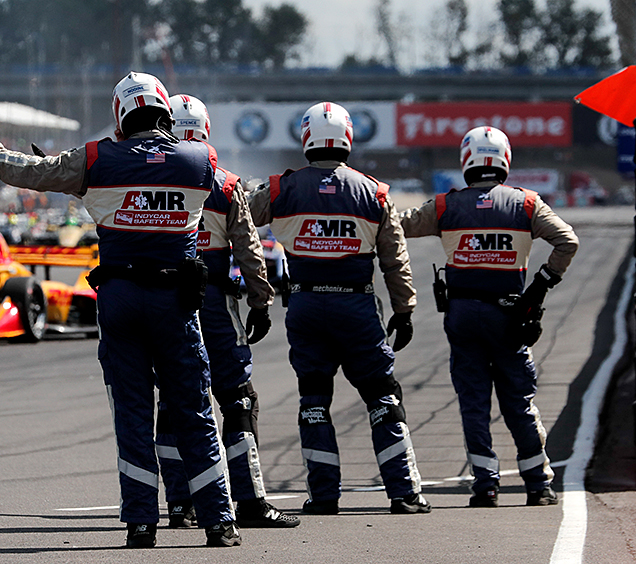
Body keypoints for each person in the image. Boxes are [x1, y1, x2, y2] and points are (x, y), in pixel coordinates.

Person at [0, 72, 241, 548]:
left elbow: (34, 172)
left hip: (121, 299)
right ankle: (219, 520)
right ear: (165, 112)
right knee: (193, 408)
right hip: (177, 302)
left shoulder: (95, 159)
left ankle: (140, 522)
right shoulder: (201, 161)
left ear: (120, 114)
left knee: (132, 411)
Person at [248, 102, 430, 515]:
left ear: (306, 136)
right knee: (383, 396)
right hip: (356, 305)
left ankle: (324, 496)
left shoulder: (281, 189)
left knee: (313, 400)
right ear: (349, 136)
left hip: (306, 304)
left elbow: (238, 219)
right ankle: (404, 493)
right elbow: (394, 259)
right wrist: (404, 310)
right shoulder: (375, 192)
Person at [400, 125, 579, 508]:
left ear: (467, 161)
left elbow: (400, 224)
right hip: (509, 314)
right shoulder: (527, 203)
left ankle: (486, 485)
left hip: (463, 314)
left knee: (473, 402)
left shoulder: (446, 206)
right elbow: (568, 240)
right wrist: (540, 286)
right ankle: (538, 484)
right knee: (519, 400)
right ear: (505, 160)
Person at [154, 94, 299, 529]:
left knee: (174, 402)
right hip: (215, 304)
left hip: (164, 303)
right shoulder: (225, 184)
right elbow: (251, 252)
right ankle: (250, 501)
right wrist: (261, 301)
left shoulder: (146, 178)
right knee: (237, 400)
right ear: (205, 131)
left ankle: (180, 505)